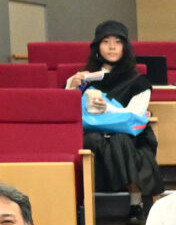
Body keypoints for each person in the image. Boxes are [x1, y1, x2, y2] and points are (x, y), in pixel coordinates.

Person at [67, 20, 160, 213]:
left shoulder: (138, 82)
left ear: (125, 47)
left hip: (128, 134)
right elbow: (66, 113)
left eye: (117, 42)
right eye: (106, 41)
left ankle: (136, 203)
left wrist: (108, 109)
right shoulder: (85, 79)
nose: (111, 47)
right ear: (97, 47)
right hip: (92, 131)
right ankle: (83, 204)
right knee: (89, 141)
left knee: (120, 141)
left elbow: (135, 115)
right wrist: (71, 88)